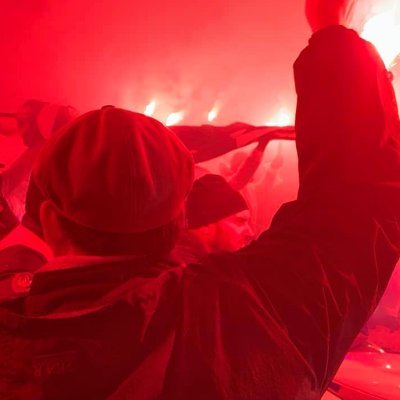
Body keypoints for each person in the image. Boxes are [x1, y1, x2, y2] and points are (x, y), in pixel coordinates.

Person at [1, 1, 400, 398]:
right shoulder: (248, 317)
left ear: (49, 219)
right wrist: (330, 32)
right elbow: (359, 202)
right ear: (180, 217)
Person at [175, 174, 254, 264]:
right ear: (206, 228)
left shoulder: (196, 267)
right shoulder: (187, 273)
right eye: (240, 221)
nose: (250, 233)